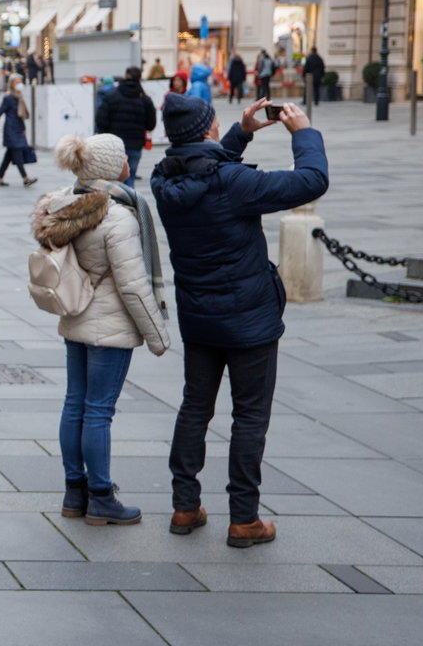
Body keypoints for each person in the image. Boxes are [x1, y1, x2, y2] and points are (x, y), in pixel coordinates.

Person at [152, 94, 328, 547]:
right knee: (249, 416)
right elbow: (311, 181)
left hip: (199, 317)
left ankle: (185, 505)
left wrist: (241, 132)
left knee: (195, 407)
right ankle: (244, 518)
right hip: (248, 317)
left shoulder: (163, 179)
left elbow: (203, 167)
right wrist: (303, 131)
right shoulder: (232, 183)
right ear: (209, 129)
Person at [32, 134, 170, 527]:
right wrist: (158, 335)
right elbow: (132, 283)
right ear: (111, 168)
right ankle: (102, 497)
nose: (128, 162)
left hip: (76, 318)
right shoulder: (117, 216)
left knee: (75, 403)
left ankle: (74, 492)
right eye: (123, 157)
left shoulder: (67, 204)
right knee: (98, 411)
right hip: (109, 326)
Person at [93, 66, 156, 189]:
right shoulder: (145, 99)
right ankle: (129, 205)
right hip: (135, 144)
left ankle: (115, 205)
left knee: (113, 179)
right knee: (130, 177)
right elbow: (151, 124)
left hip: (113, 145)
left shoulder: (111, 96)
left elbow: (100, 120)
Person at [0, 76, 37, 187]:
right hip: (11, 130)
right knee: (17, 154)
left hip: (18, 128)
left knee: (9, 155)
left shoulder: (19, 96)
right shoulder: (8, 97)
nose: (20, 83)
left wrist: (23, 128)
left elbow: (20, 115)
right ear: (12, 83)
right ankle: (25, 179)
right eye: (17, 81)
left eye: (20, 81)